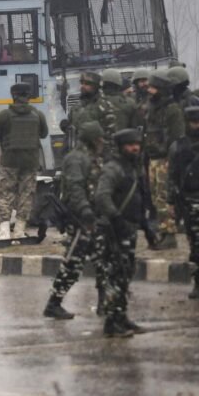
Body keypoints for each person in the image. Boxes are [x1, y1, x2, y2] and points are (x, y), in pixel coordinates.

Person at [44, 122, 107, 320]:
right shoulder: (75, 159)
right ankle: (53, 304)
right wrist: (85, 211)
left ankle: (105, 303)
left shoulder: (92, 158)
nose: (102, 142)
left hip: (94, 218)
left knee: (104, 261)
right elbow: (75, 188)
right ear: (92, 140)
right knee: (73, 263)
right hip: (81, 221)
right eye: (99, 139)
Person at [95, 129, 147, 338]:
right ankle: (111, 322)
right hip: (114, 231)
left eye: (137, 144)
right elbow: (102, 196)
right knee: (115, 275)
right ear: (120, 147)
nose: (135, 148)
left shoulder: (132, 168)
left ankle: (121, 316)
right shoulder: (113, 169)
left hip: (129, 229)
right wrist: (116, 218)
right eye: (130, 145)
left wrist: (146, 226)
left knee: (125, 274)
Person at [0, 82, 48, 240]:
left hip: (10, 161)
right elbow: (44, 134)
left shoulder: (5, 115)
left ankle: (4, 232)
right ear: (29, 96)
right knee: (26, 194)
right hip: (31, 162)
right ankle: (20, 230)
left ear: (13, 96)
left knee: (4, 193)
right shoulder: (38, 115)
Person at [144, 69, 185, 249]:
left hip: (165, 159)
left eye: (152, 87)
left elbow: (177, 137)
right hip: (153, 158)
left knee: (164, 197)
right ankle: (163, 230)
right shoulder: (152, 108)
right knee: (155, 197)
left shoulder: (172, 109)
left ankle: (169, 234)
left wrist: (172, 160)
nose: (149, 90)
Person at [168, 106, 199, 300]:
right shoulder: (178, 146)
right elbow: (172, 175)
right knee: (195, 244)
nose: (197, 126)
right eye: (194, 122)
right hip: (188, 201)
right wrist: (171, 202)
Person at [98, 69, 136, 159]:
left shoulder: (96, 103)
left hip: (102, 150)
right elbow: (135, 127)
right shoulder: (129, 103)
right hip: (124, 148)